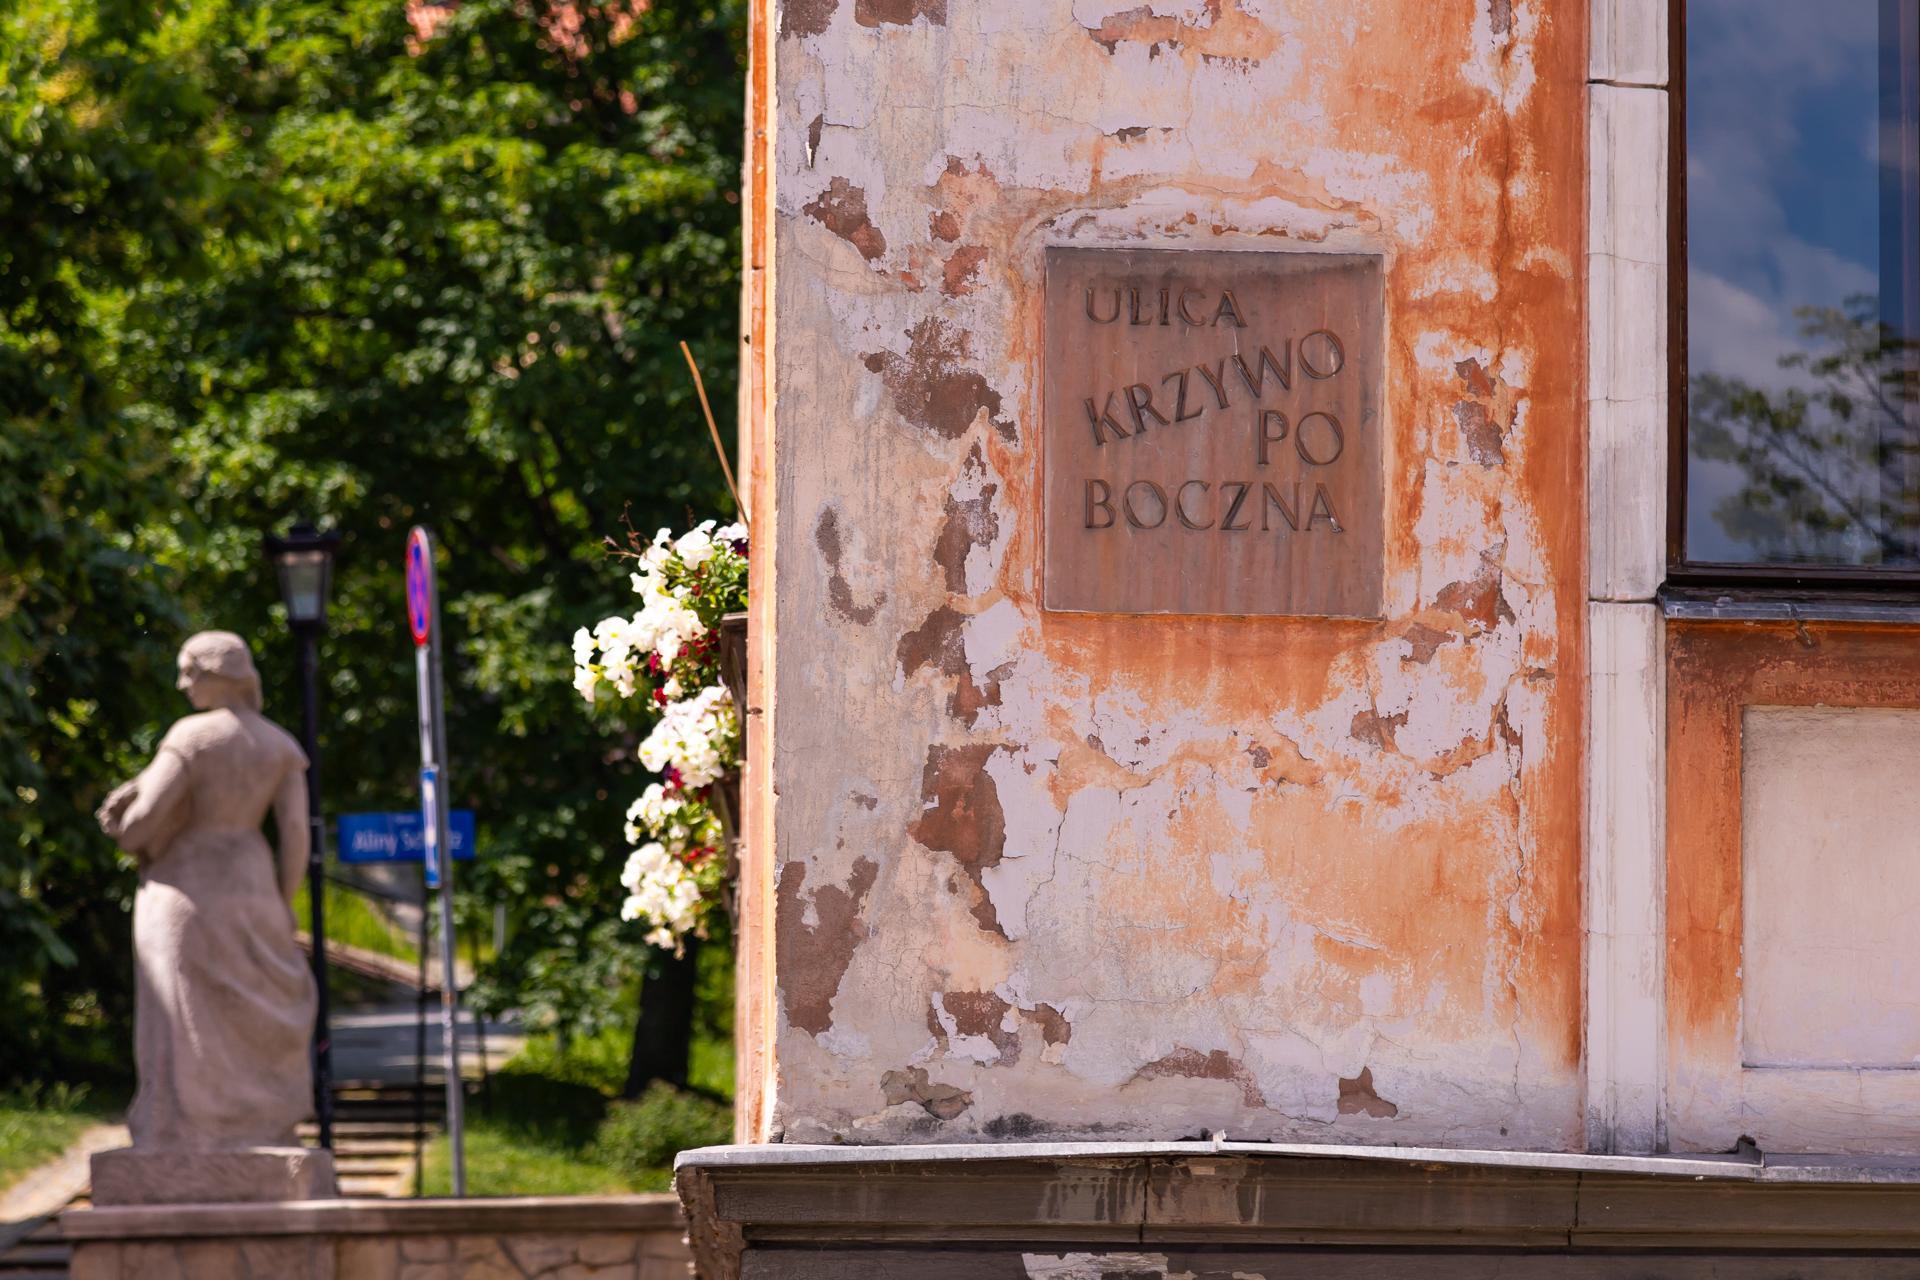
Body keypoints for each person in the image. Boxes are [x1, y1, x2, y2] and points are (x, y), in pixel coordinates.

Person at [96, 631, 317, 1150]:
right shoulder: (281, 746)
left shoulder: (192, 737)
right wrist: (282, 903)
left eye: (190, 672)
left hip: (187, 886)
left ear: (221, 675)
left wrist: (121, 826)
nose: (182, 684)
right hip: (253, 883)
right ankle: (258, 1128)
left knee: (182, 1016)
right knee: (246, 1013)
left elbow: (143, 821)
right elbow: (296, 837)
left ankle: (179, 1136)